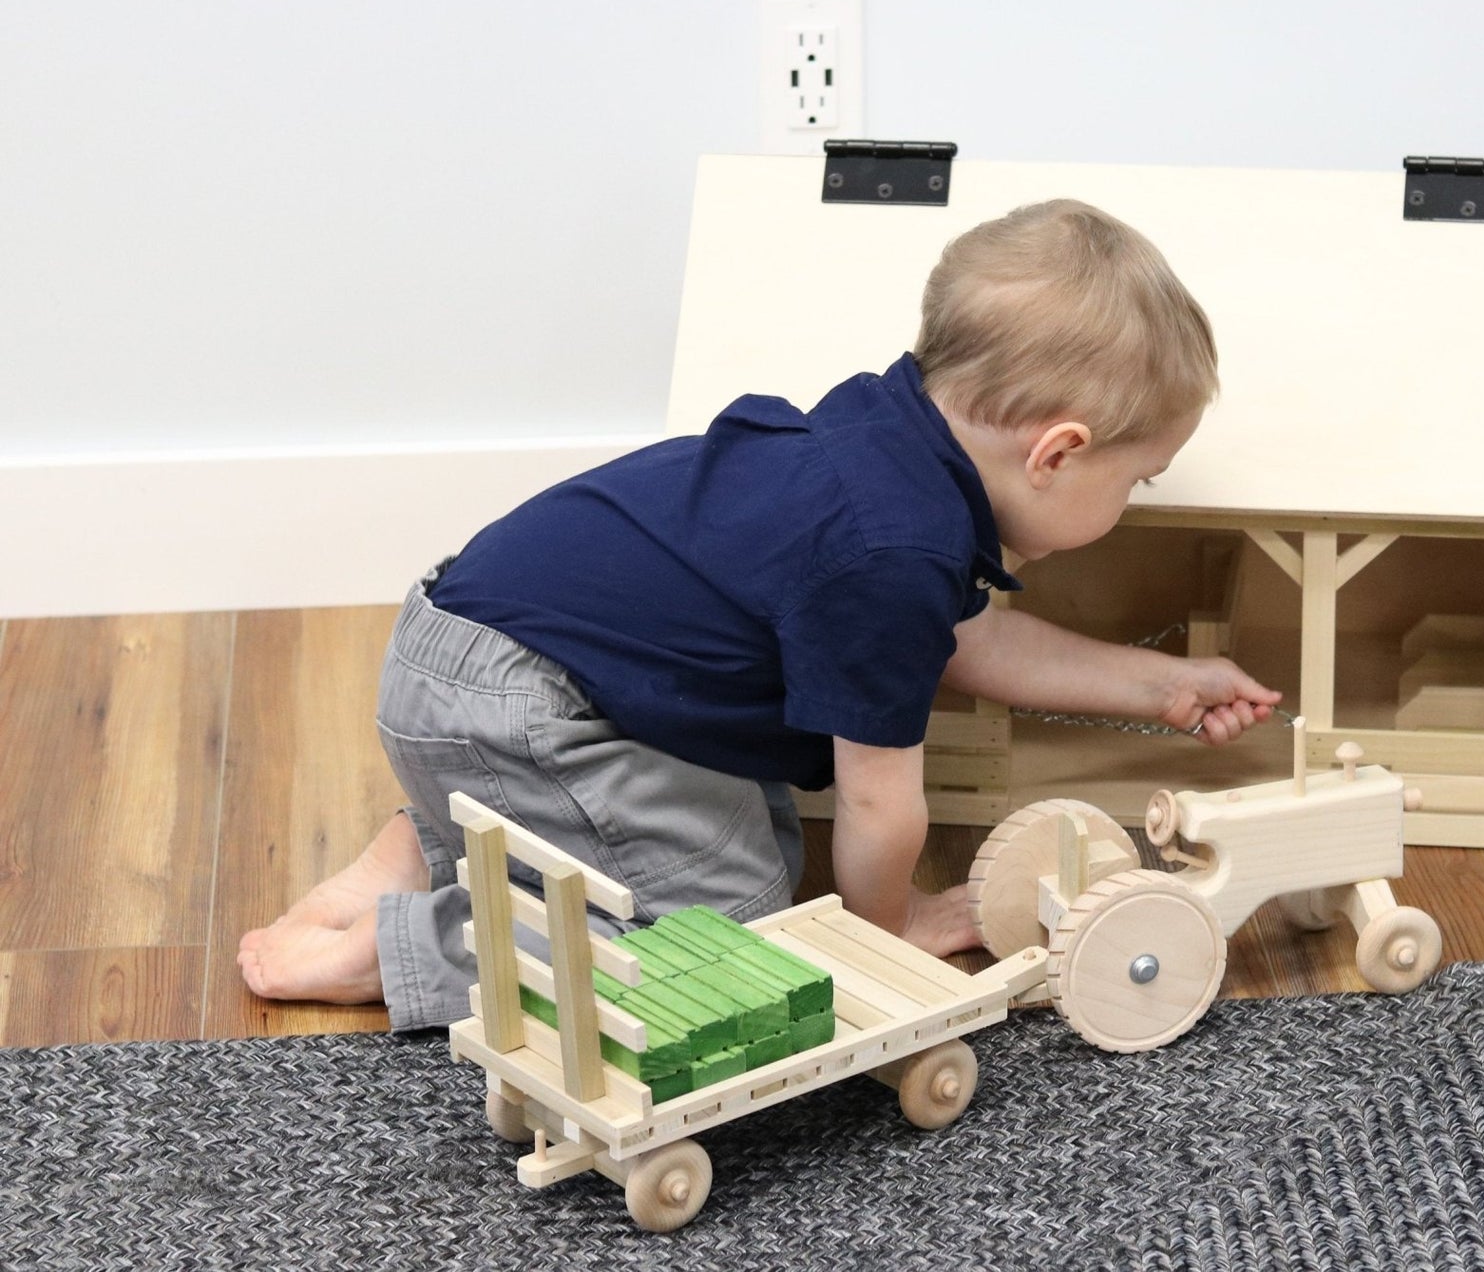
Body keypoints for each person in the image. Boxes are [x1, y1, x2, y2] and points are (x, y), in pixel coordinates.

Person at [238, 198, 1281, 1029]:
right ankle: (404, 950)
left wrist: (1162, 684)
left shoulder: (885, 446)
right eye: (1137, 480)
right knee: (742, 947)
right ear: (1056, 453)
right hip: (520, 705)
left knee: (762, 837)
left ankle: (431, 840)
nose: (1133, 499)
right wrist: (884, 936)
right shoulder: (891, 554)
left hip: (472, 653)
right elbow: (879, 807)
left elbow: (973, 640)